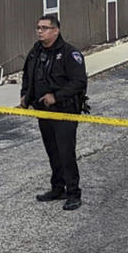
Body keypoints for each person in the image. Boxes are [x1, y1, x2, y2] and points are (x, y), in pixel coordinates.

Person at [20, 14, 87, 211]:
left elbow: (79, 82)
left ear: (56, 31)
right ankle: (58, 188)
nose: (40, 31)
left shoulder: (69, 53)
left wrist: (56, 97)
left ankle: (73, 193)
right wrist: (25, 95)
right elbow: (28, 76)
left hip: (64, 112)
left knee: (66, 152)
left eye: (45, 28)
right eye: (38, 27)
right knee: (52, 151)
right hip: (44, 112)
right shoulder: (36, 52)